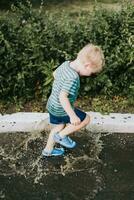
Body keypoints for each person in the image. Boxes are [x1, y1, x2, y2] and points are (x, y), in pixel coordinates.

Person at [42, 43, 105, 157]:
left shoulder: (66, 64)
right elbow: (63, 97)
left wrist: (60, 83)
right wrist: (72, 116)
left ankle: (48, 151)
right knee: (85, 119)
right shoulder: (73, 77)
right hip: (61, 107)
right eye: (91, 72)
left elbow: (55, 74)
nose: (90, 75)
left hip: (52, 104)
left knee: (59, 126)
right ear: (87, 65)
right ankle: (61, 136)